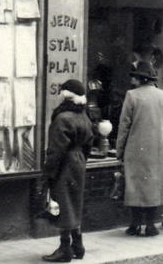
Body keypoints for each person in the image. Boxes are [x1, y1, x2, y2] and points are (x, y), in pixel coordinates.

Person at [116, 61, 163, 236]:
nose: (132, 79)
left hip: (135, 149)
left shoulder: (131, 96)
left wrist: (119, 151)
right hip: (158, 150)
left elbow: (124, 125)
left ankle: (134, 224)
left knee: (135, 186)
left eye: (134, 76)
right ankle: (150, 225)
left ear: (140, 78)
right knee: (153, 186)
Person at [42, 80, 94, 263]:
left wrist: (49, 171)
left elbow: (56, 149)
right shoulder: (84, 116)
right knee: (73, 202)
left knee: (63, 203)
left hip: (65, 163)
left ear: (65, 96)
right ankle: (78, 245)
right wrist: (81, 159)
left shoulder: (63, 118)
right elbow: (89, 143)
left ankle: (65, 248)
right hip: (78, 162)